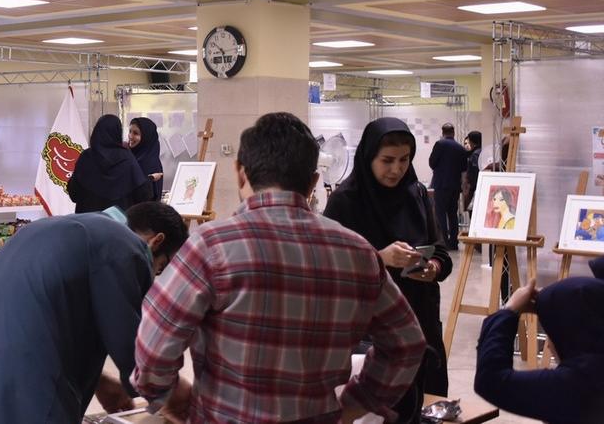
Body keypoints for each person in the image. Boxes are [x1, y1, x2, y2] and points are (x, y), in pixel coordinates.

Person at [134, 113, 427, 423]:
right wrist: (357, 402)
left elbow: (155, 343)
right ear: (313, 182)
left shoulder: (210, 246)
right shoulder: (359, 252)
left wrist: (165, 395)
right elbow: (406, 343)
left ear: (240, 174)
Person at [0, 201, 190, 423]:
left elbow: (44, 318)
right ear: (156, 241)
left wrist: (100, 383)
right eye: (160, 267)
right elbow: (129, 344)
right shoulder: (123, 245)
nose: (153, 276)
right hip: (25, 398)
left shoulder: (53, 229)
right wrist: (170, 391)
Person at [324, 117, 453, 423]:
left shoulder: (416, 194)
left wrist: (432, 267)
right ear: (369, 157)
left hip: (420, 318)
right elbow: (329, 269)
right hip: (371, 329)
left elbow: (440, 251)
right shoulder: (345, 202)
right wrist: (379, 258)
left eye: (404, 160)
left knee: (426, 403)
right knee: (381, 410)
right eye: (387, 161)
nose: (396, 169)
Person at [474, 261, 604, 423]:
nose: (548, 344)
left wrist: (509, 311)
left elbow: (491, 380)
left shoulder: (579, 384)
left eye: (552, 332)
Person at [68, 115, 151, 213]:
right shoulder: (127, 158)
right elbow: (143, 195)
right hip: (118, 220)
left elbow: (74, 194)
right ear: (118, 133)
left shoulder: (86, 157)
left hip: (88, 220)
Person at [429, 123, 467, 249]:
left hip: (441, 184)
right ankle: (454, 243)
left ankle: (443, 242)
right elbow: (464, 168)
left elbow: (432, 163)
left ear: (443, 132)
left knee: (440, 214)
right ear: (453, 132)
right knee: (452, 214)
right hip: (455, 186)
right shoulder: (460, 148)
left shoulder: (439, 144)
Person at [129, 117, 163, 201]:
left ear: (146, 137)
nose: (130, 136)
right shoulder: (129, 157)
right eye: (130, 131)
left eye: (135, 133)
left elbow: (143, 194)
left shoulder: (150, 164)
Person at [462, 131, 482, 213]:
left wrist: (470, 185)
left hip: (474, 187)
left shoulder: (475, 155)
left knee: (473, 211)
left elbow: (474, 172)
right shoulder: (481, 151)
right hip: (479, 186)